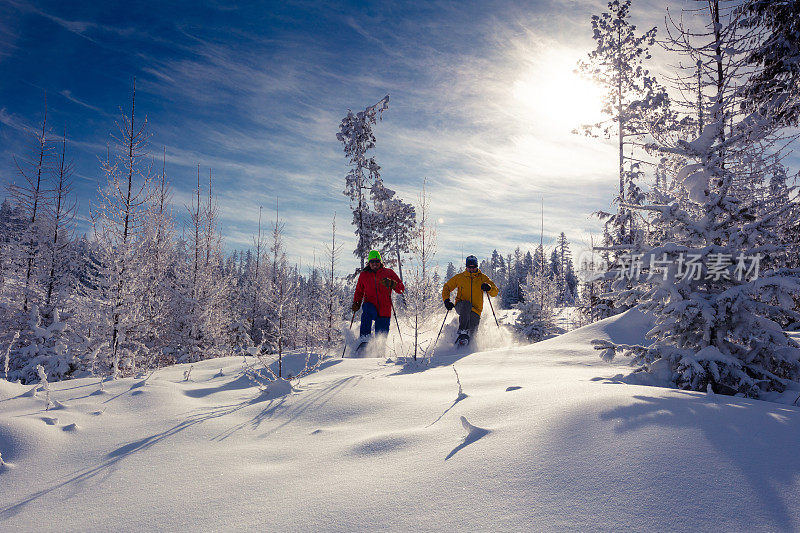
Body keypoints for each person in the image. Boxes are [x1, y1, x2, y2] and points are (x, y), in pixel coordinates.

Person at [351, 250, 405, 348]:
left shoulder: (389, 272)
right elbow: (359, 291)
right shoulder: (364, 275)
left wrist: (392, 284)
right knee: (366, 311)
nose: (374, 264)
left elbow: (401, 289)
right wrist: (357, 302)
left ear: (380, 262)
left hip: (384, 310)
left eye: (377, 261)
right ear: (369, 263)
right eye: (372, 262)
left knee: (381, 339)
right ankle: (364, 340)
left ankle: (378, 354)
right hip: (370, 306)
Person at [441, 255, 499, 341]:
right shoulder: (460, 277)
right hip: (461, 306)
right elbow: (447, 287)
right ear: (466, 267)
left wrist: (489, 288)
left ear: (477, 266)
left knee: (472, 335)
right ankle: (462, 331)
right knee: (467, 304)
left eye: (474, 267)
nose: (471, 269)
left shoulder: (482, 278)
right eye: (469, 267)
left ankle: (463, 349)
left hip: (476, 310)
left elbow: (495, 292)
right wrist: (446, 300)